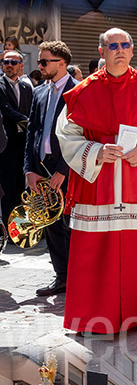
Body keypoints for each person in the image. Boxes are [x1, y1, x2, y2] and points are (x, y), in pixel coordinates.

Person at [57, 27, 137, 336]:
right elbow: (67, 135)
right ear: (102, 52)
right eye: (113, 46)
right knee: (97, 253)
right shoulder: (83, 91)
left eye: (125, 44)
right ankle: (96, 317)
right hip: (99, 186)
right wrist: (95, 151)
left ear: (132, 50)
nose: (119, 50)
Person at [23, 40, 76, 298]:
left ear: (61, 63)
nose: (40, 66)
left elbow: (82, 136)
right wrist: (28, 169)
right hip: (41, 167)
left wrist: (64, 169)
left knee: (72, 225)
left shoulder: (78, 90)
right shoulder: (39, 92)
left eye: (45, 62)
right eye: (41, 61)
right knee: (51, 225)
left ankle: (79, 277)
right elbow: (32, 131)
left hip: (67, 169)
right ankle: (62, 276)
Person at [0, 51, 33, 227]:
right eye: (6, 62)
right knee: (8, 190)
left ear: (21, 65)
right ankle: (9, 230)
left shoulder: (27, 87)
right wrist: (30, 123)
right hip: (6, 147)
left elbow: (32, 109)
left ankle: (22, 227)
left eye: (13, 62)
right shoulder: (0, 85)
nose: (9, 65)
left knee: (23, 189)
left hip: (24, 145)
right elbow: (6, 111)